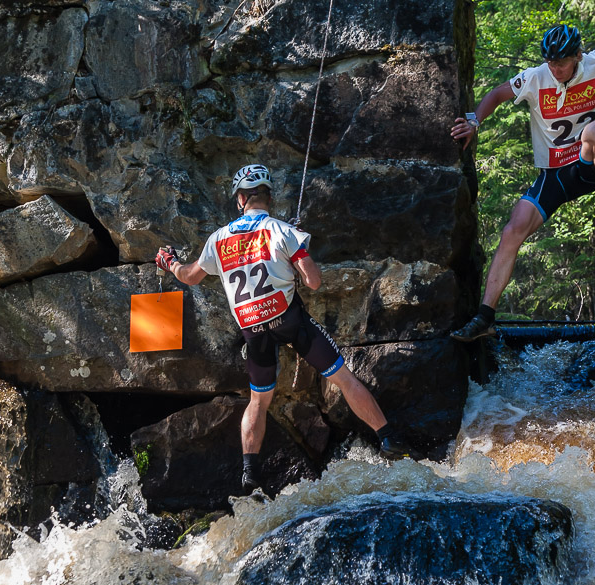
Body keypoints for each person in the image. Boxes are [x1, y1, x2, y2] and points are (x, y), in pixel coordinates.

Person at [155, 164, 408, 493]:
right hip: (290, 321)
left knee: (258, 402)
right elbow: (314, 283)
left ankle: (249, 472)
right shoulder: (282, 230)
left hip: (254, 332)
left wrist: (170, 261)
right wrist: (298, 253)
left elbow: (189, 275)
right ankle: (389, 439)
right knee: (343, 379)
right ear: (268, 197)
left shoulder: (218, 239)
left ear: (241, 199)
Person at [450, 24, 595, 342]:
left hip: (594, 162)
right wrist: (474, 120)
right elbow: (499, 93)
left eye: (561, 62)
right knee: (512, 229)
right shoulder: (535, 77)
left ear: (577, 56)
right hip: (556, 174)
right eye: (550, 62)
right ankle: (485, 317)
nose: (555, 69)